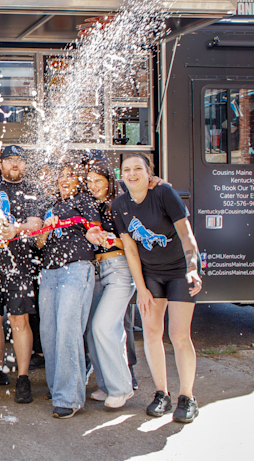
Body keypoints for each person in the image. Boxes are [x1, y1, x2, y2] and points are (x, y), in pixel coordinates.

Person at [112, 154, 202, 423]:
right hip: (150, 274)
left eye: (138, 168)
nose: (132, 173)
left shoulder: (164, 193)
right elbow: (130, 248)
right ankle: (162, 393)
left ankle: (188, 397)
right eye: (126, 170)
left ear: (149, 173)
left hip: (178, 271)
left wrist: (193, 267)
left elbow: (186, 233)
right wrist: (140, 287)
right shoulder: (119, 205)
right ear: (121, 175)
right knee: (151, 333)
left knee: (178, 334)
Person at [0, 145, 43, 404]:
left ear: (25, 164)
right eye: (9, 159)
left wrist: (15, 230)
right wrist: (0, 221)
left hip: (20, 265)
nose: (15, 164)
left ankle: (23, 378)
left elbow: (36, 224)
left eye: (19, 160)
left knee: (19, 320)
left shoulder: (33, 188)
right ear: (0, 164)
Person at [36, 160, 103, 419]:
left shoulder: (85, 201)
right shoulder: (49, 206)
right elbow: (40, 245)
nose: (64, 179)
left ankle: (69, 397)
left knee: (68, 328)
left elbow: (93, 230)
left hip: (77, 268)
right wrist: (45, 229)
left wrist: (95, 235)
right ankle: (56, 388)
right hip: (49, 271)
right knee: (49, 331)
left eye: (70, 174)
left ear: (79, 180)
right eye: (61, 175)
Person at [83, 160, 136, 408]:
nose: (92, 185)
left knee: (104, 327)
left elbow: (135, 242)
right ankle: (106, 386)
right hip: (98, 271)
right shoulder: (92, 206)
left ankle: (122, 388)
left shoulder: (120, 205)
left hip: (120, 269)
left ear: (109, 182)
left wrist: (112, 240)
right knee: (95, 332)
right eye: (89, 181)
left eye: (98, 180)